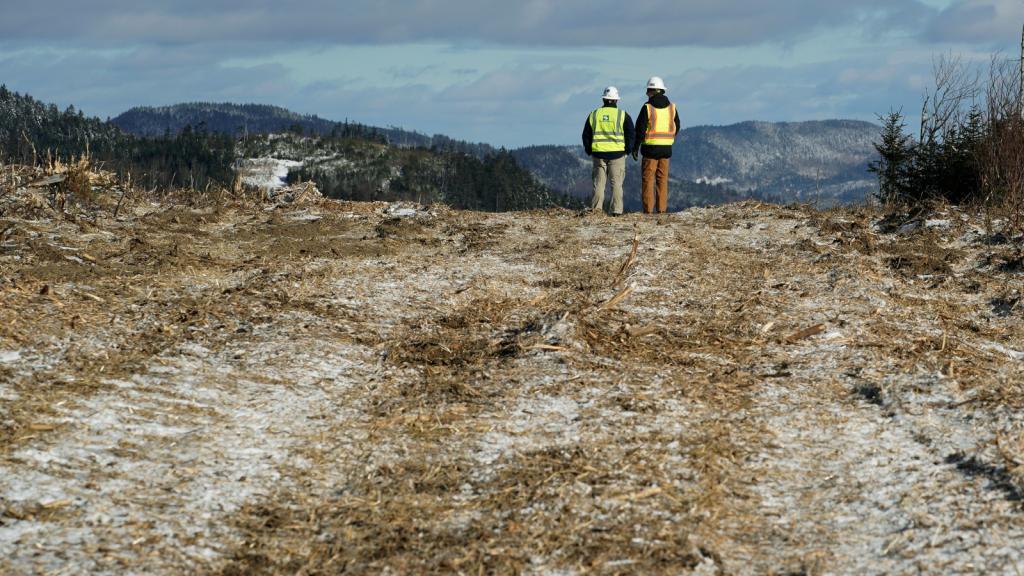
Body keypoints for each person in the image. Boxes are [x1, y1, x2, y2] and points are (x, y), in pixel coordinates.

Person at [582, 86, 634, 216]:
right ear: (616, 100)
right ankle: (616, 210)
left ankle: (596, 210)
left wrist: (589, 150)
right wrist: (627, 150)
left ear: (604, 99)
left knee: (599, 184)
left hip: (598, 154)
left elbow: (586, 135)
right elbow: (631, 134)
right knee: (616, 184)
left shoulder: (594, 114)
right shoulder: (623, 115)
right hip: (617, 154)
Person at [632, 76, 680, 214]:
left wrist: (635, 147)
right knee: (662, 180)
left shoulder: (647, 108)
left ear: (652, 91)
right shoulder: (672, 108)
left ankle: (648, 211)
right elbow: (677, 125)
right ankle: (662, 210)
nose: (647, 93)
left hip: (650, 150)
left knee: (648, 180)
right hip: (666, 150)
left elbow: (639, 130)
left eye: (648, 91)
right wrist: (669, 138)